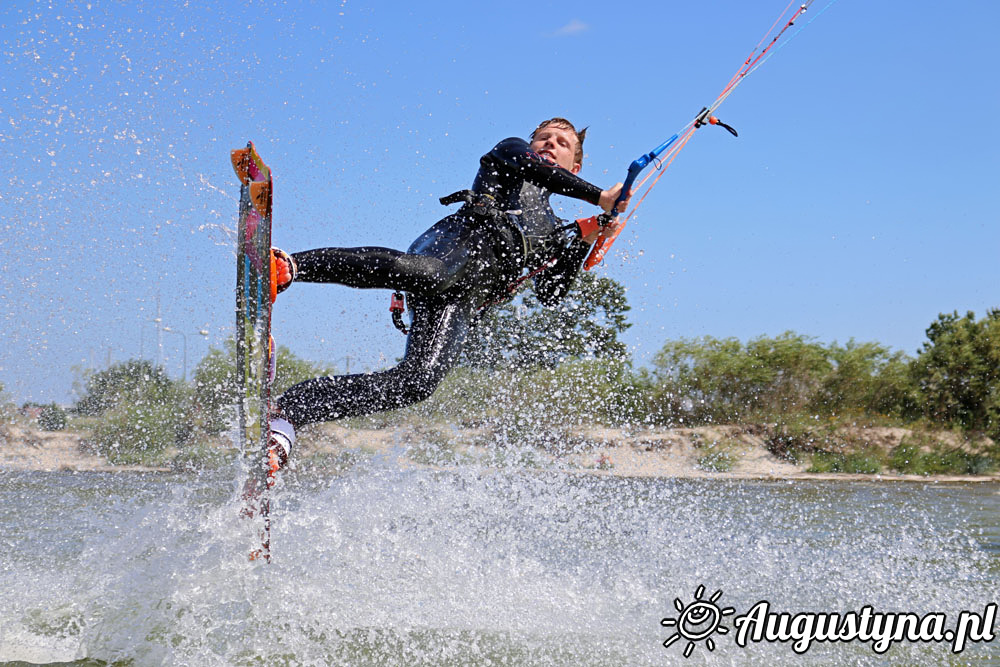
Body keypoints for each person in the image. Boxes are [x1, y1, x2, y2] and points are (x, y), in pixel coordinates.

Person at [265, 118, 631, 469]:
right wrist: (599, 196)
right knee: (432, 274)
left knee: (419, 382)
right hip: (452, 246)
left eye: (562, 143)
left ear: (576, 165)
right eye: (544, 138)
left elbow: (550, 293)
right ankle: (288, 268)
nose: (550, 144)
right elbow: (536, 169)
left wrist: (587, 238)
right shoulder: (511, 153)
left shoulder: (552, 230)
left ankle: (289, 412)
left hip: (464, 298)